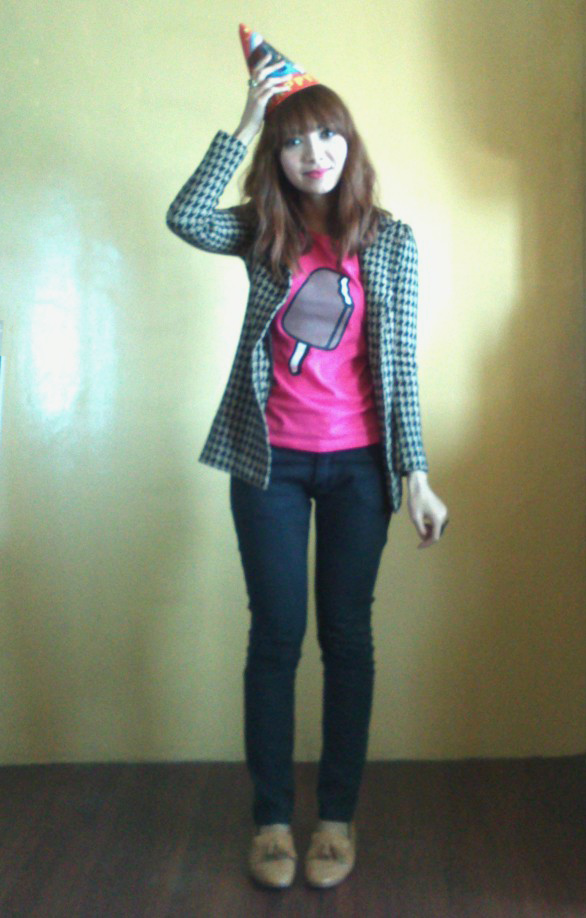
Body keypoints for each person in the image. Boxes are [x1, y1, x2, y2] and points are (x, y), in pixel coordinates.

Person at [166, 25, 448, 891]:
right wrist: (247, 120)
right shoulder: (263, 231)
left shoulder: (390, 241)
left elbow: (399, 368)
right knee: (277, 636)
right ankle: (270, 821)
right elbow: (185, 218)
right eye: (293, 141)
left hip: (361, 468)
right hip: (270, 466)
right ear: (276, 157)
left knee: (348, 638)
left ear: (348, 143)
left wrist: (417, 475)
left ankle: (334, 816)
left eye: (326, 135)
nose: (313, 152)